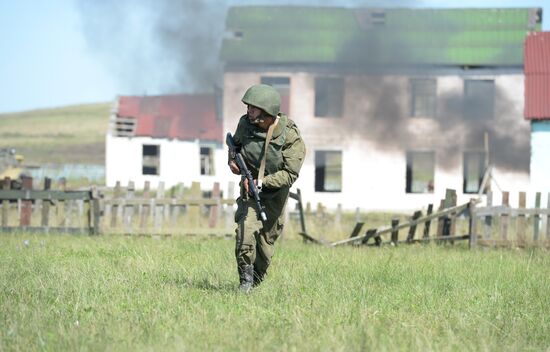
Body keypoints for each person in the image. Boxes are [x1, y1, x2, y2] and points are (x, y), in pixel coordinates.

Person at [228, 84, 306, 293]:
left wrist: (262, 183)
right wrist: (233, 162)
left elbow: (290, 174)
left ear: (267, 111)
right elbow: (234, 145)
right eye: (248, 107)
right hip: (249, 192)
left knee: (265, 244)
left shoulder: (290, 135)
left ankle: (255, 280)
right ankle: (244, 284)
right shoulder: (245, 124)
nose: (248, 111)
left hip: (274, 196)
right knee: (244, 234)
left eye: (253, 108)